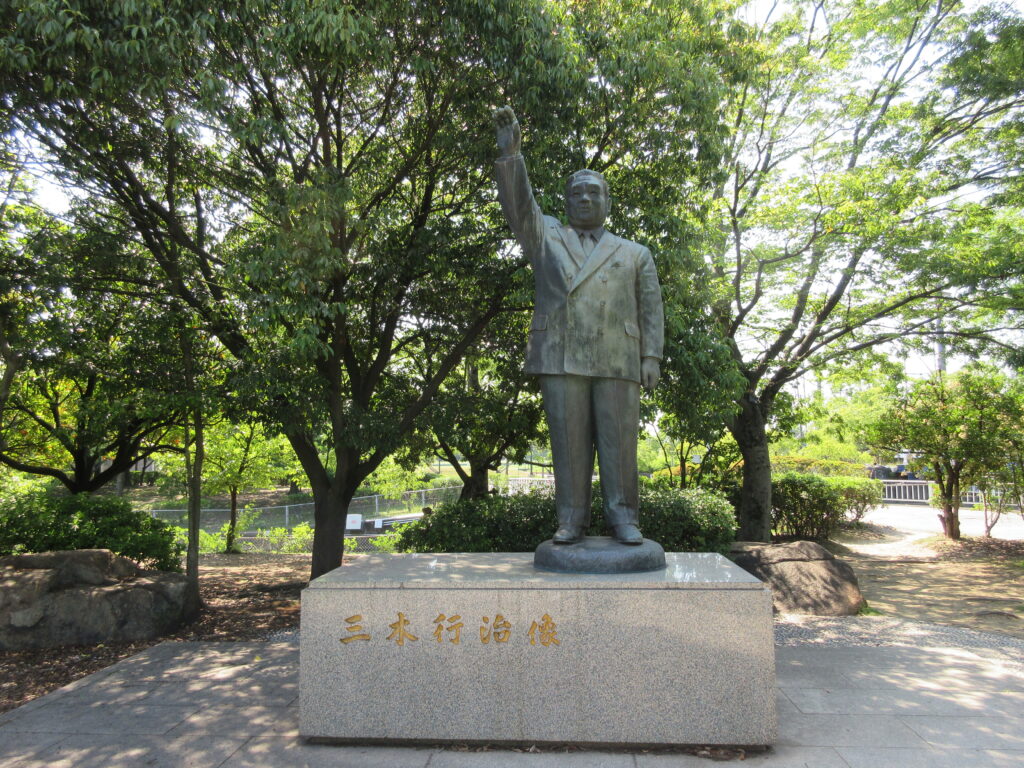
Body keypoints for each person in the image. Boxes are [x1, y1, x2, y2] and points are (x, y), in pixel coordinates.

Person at [493, 106, 664, 545]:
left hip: (618, 356)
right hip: (562, 353)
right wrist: (512, 156)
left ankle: (624, 517)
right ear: (565, 203)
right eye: (576, 194)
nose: (585, 199)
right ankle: (571, 518)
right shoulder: (546, 236)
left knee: (619, 443)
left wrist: (651, 356)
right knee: (568, 444)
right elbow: (519, 206)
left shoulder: (635, 253)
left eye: (594, 193)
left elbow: (650, 309)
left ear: (607, 202)